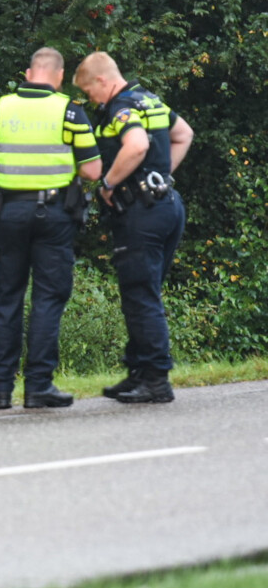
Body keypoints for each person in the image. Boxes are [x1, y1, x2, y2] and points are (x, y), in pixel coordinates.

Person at [0, 47, 102, 410]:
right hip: (54, 215)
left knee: (6, 300)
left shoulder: (1, 108)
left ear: (30, 73)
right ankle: (38, 387)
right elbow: (92, 171)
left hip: (9, 212)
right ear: (59, 76)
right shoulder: (70, 111)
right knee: (47, 298)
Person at [74, 52, 193, 403]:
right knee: (143, 294)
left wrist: (109, 183)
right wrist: (161, 177)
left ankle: (156, 381)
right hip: (167, 205)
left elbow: (137, 144)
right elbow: (184, 133)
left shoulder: (121, 107)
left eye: (89, 92)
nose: (91, 99)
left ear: (101, 81)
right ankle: (139, 372)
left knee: (141, 296)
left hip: (142, 214)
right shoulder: (150, 99)